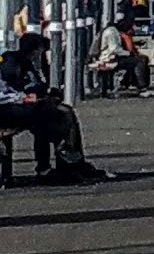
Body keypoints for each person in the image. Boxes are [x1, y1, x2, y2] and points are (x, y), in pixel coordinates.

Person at [0, 33, 111, 184]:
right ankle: (63, 164)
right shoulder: (11, 62)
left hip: (19, 106)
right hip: (6, 109)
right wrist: (28, 98)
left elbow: (31, 87)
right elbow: (8, 92)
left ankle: (68, 162)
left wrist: (44, 95)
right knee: (51, 117)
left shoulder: (24, 62)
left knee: (63, 112)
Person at [93, 19, 154, 98]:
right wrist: (128, 53)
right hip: (109, 59)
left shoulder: (106, 30)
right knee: (138, 62)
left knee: (134, 61)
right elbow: (114, 49)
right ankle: (142, 88)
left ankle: (129, 82)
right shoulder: (112, 32)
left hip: (104, 57)